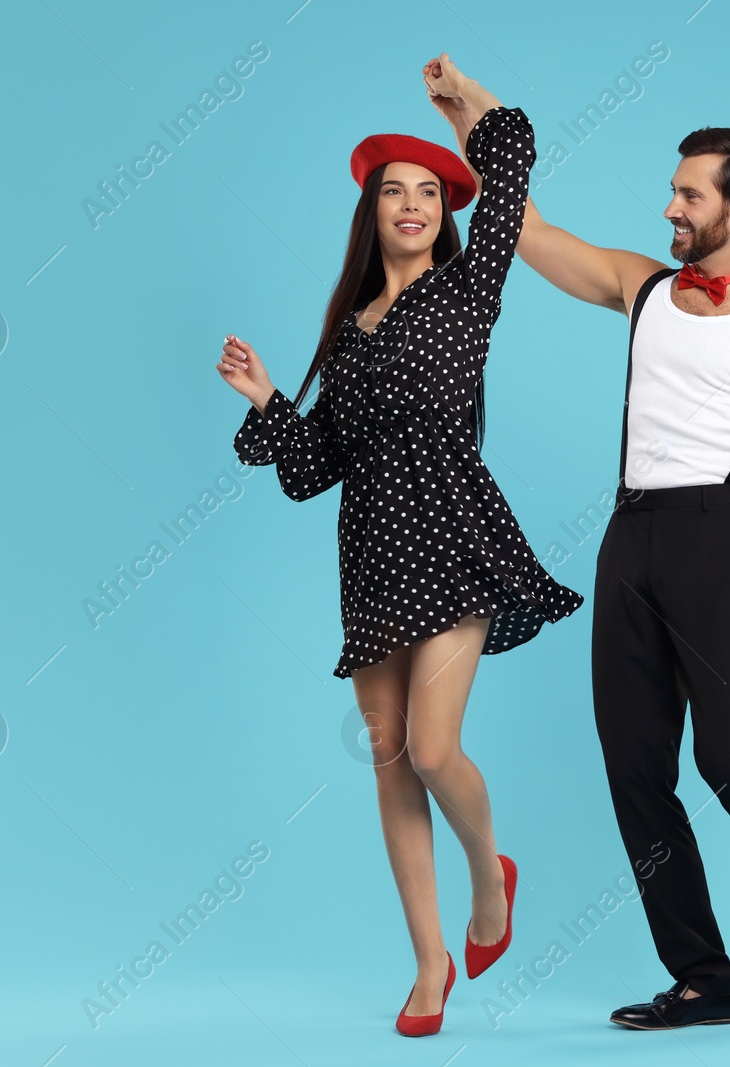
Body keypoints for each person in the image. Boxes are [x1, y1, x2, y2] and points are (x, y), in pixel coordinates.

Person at [426, 54, 730, 1034]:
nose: (670, 207)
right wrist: (478, 112)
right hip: (630, 535)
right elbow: (532, 231)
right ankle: (702, 977)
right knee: (634, 767)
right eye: (673, 191)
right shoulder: (642, 290)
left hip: (723, 539)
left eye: (688, 193)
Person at [216, 60, 582, 1037]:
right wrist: (266, 400)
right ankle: (428, 963)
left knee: (432, 746)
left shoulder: (468, 290)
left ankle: (489, 876)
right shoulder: (350, 332)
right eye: (395, 191)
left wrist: (462, 95)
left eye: (427, 191)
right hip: (370, 552)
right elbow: (315, 465)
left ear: (442, 211)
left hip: (453, 539)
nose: (412, 204)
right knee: (385, 756)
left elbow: (508, 159)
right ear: (371, 211)